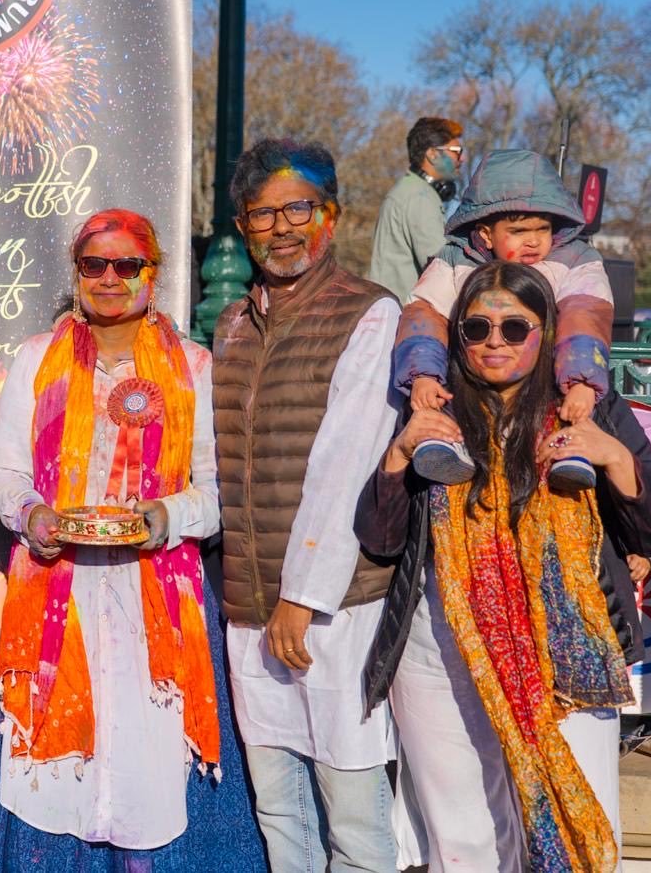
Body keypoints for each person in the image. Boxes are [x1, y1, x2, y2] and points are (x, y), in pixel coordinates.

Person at [357, 260, 651, 872]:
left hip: (567, 658)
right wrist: (401, 455)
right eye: (476, 329)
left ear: (547, 332)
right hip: (444, 652)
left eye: (515, 328)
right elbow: (379, 539)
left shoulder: (588, 409)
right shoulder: (434, 411)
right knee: (463, 838)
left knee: (577, 827)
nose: (495, 343)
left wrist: (613, 458)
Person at [0, 209, 266, 870]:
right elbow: (4, 472)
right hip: (61, 593)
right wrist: (31, 516)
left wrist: (164, 518)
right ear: (77, 273)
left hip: (157, 605)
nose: (110, 279)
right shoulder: (36, 360)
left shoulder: (195, 367)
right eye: (94, 265)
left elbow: (217, 490)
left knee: (152, 774)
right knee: (58, 785)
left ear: (152, 273)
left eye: (126, 265)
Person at [213, 138, 400, 873]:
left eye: (301, 208)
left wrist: (303, 595)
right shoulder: (232, 324)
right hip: (249, 607)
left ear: (333, 215)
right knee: (279, 811)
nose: (283, 228)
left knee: (353, 814)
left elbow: (346, 463)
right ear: (242, 226)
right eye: (264, 213)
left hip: (334, 610)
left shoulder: (369, 314)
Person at [395, 148, 613, 490]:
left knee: (570, 405)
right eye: (518, 231)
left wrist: (582, 380)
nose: (534, 240)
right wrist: (422, 373)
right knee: (444, 390)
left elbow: (584, 315)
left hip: (548, 377)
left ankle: (570, 452)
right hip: (473, 377)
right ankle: (443, 443)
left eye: (543, 229)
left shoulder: (573, 259)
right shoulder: (455, 260)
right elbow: (425, 312)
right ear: (485, 235)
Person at [367, 117, 463, 302]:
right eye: (457, 152)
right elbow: (441, 267)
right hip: (406, 321)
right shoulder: (419, 197)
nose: (462, 158)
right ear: (433, 154)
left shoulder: (410, 190)